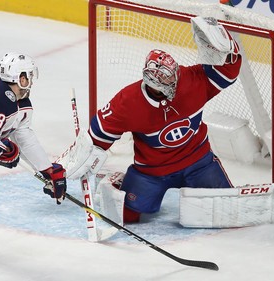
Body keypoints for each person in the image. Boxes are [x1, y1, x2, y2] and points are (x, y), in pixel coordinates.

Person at [88, 18, 242, 223]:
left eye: (173, 76)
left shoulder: (190, 79)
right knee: (129, 216)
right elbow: (97, 136)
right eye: (168, 80)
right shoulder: (128, 101)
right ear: (154, 83)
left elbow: (228, 71)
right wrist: (75, 164)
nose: (175, 81)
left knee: (226, 210)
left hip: (199, 162)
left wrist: (227, 45)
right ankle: (117, 182)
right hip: (152, 172)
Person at [0, 52, 67, 251]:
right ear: (20, 78)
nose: (31, 81)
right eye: (29, 76)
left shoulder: (19, 101)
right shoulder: (0, 99)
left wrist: (47, 169)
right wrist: (4, 150)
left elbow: (23, 135)